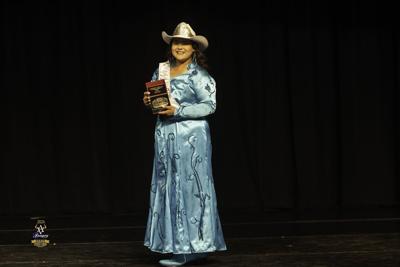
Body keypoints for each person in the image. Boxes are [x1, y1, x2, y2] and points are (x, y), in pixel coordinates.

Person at [142, 22, 227, 266]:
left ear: (193, 49)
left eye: (185, 43)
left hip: (191, 140)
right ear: (171, 46)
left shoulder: (198, 74)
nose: (180, 46)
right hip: (165, 137)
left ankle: (190, 248)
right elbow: (157, 101)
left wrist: (179, 110)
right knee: (167, 185)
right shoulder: (162, 71)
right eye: (176, 42)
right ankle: (176, 244)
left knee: (191, 189)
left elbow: (209, 105)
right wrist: (149, 100)